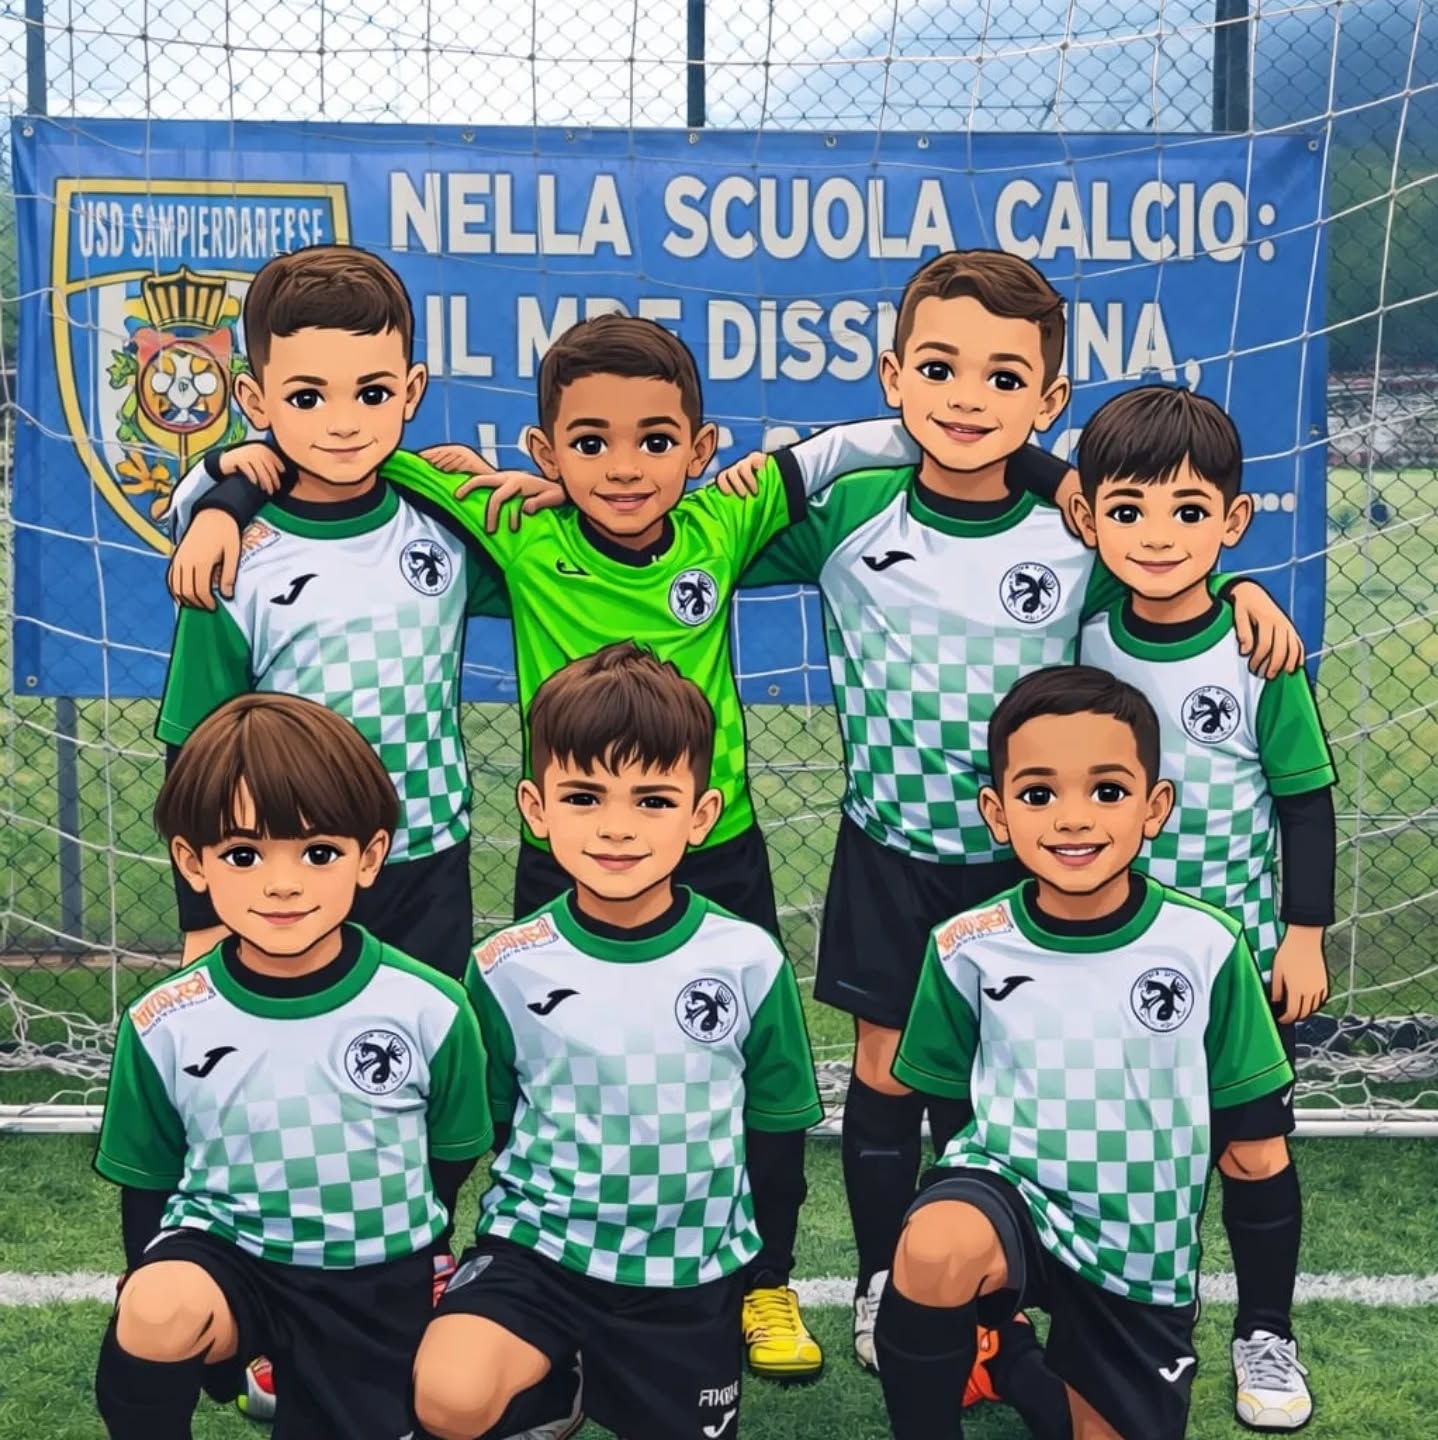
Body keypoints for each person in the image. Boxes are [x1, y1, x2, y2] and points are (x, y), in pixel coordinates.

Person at [169, 308, 1054, 1377]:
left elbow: (861, 445)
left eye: (655, 441)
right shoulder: (512, 524)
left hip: (715, 852)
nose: (625, 468)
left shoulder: (727, 519)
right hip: (568, 859)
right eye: (590, 443)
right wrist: (218, 494)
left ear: (702, 448)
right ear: (544, 453)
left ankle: (762, 1280)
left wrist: (1051, 475)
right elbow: (336, 450)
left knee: (748, 1082)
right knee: (543, 1072)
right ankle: (522, 1266)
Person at [730, 247, 1305, 1390]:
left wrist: (1242, 590)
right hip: (892, 845)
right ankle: (886, 1279)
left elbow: (1168, 575)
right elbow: (679, 540)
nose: (967, 399)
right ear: (894, 377)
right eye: (939, 369)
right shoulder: (849, 510)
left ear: (1048, 400)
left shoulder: (1074, 527)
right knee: (886, 1069)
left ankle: (1005, 1291)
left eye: (1003, 379)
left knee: (1004, 1081)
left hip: (1036, 867)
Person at [412, 642, 823, 1440]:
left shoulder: (747, 960)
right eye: (584, 796)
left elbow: (776, 1132)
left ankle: (577, 1378)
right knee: (449, 1395)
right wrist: (425, 1249)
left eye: (653, 800)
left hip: (687, 1275)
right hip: (539, 1255)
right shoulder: (505, 965)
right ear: (536, 809)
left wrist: (763, 1273)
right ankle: (545, 1382)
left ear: (701, 815)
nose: (616, 828)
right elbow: (474, 1130)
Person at [878, 664, 1294, 1440]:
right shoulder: (966, 945)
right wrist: (961, 1215)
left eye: (1107, 790)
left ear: (1154, 807)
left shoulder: (1207, 946)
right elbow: (949, 1103)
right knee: (935, 1247)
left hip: (1138, 1241)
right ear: (998, 813)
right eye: (1039, 794)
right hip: (1012, 1192)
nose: (1073, 819)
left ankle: (1006, 1357)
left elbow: (1254, 1151)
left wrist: (1265, 1312)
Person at [93, 693, 492, 1440]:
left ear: (369, 857)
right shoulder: (164, 1019)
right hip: (228, 1256)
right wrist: (143, 1272)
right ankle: (217, 1351)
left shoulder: (430, 1007)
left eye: (319, 853)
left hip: (373, 1276)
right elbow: (147, 1178)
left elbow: (452, 1153)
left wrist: (405, 1233)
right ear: (193, 862)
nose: (282, 883)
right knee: (156, 1307)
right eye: (244, 855)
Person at [1072, 384, 1336, 1431]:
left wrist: (1304, 936)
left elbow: (1305, 803)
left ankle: (1266, 1332)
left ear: (1232, 521)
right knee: (1132, 1152)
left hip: (1237, 964)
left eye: (1188, 511)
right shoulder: (1083, 636)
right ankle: (1142, 1317)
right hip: (1105, 958)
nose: (1157, 535)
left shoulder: (1258, 652)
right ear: (1090, 519)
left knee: (1252, 1151)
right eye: (1127, 510)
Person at [155, 244, 511, 982]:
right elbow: (194, 748)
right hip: (291, 869)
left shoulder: (444, 526)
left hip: (426, 857)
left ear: (412, 391)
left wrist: (540, 497)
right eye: (308, 398)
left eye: (372, 394)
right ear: (256, 402)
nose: (344, 423)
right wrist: (204, 916)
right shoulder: (234, 555)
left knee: (427, 1040)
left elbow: (565, 579)